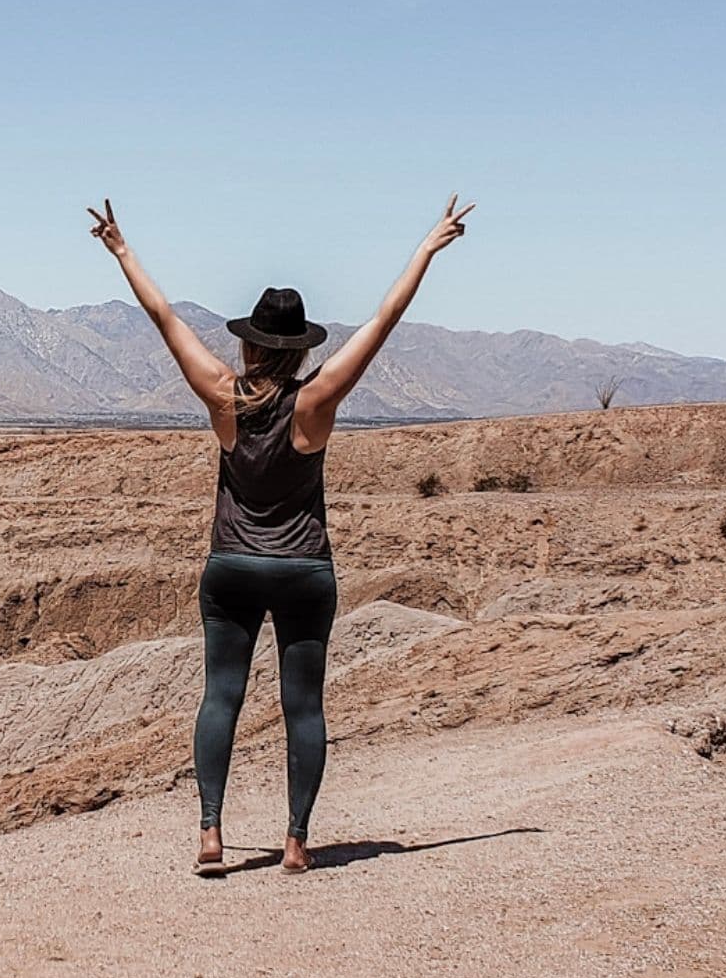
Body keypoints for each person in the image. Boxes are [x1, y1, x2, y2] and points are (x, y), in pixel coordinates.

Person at [86, 194, 474, 874]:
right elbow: (385, 320)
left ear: (247, 343)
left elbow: (163, 316)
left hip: (232, 565)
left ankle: (212, 835)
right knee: (303, 706)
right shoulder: (317, 401)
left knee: (222, 695)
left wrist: (122, 251)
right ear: (297, 350)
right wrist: (426, 248)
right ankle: (296, 842)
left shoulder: (221, 393)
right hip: (303, 570)